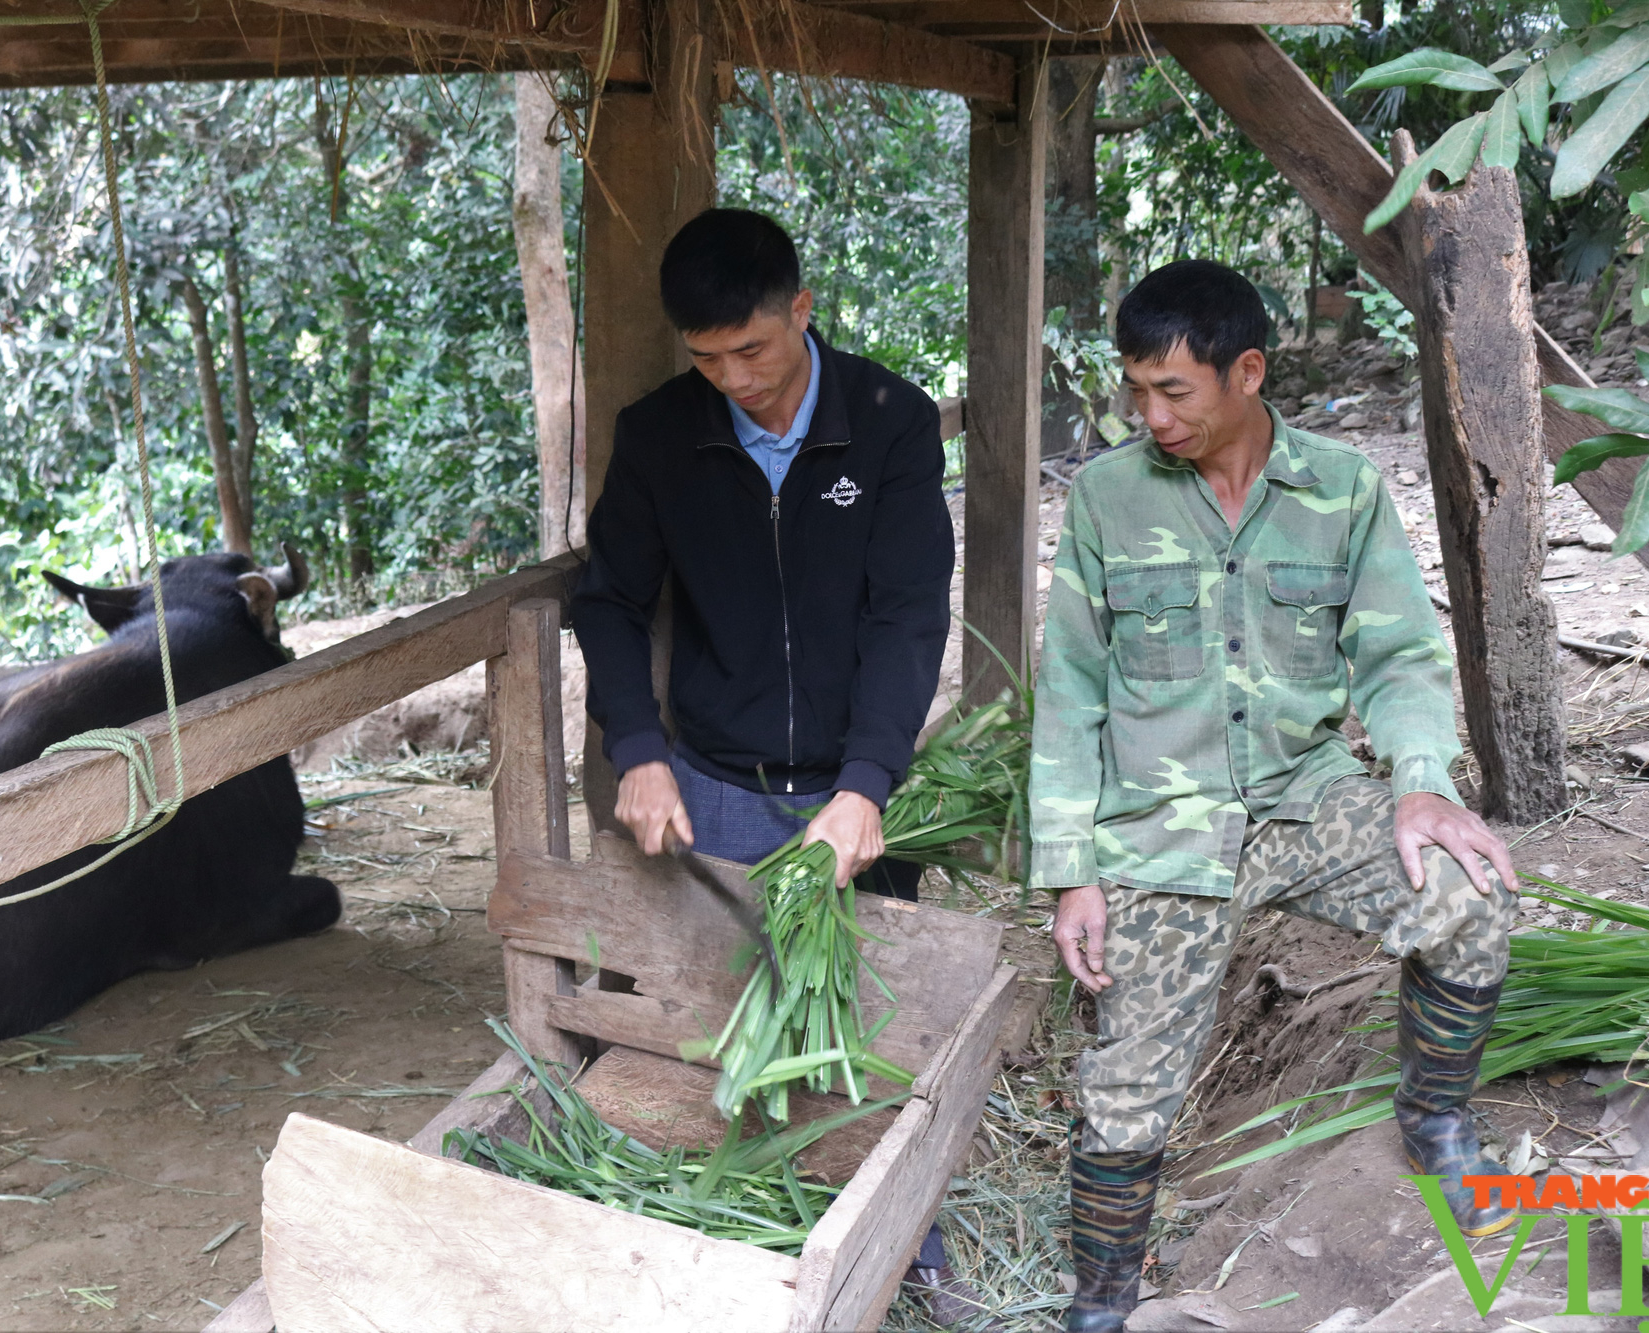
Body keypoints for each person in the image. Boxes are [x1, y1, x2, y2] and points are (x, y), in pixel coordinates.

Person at [1029, 260, 1519, 1333]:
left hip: (1305, 796)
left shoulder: (1340, 489)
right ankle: (1100, 1302)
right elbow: (1066, 690)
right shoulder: (1107, 499)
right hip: (1163, 828)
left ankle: (1434, 1119)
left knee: (1469, 897)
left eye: (1173, 392)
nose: (1149, 416)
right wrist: (1068, 869)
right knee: (1125, 1089)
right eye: (1135, 392)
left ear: (1246, 371)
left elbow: (1396, 657)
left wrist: (1420, 786)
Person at [570, 208, 976, 1321]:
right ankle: (729, 1253)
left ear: (801, 310)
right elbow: (606, 600)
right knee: (721, 1024)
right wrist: (637, 751)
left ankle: (906, 1247)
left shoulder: (886, 419)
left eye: (750, 349)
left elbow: (906, 614)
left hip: (851, 785)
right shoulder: (659, 434)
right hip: (715, 782)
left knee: (869, 1029)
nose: (732, 378)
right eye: (705, 358)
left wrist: (866, 783)